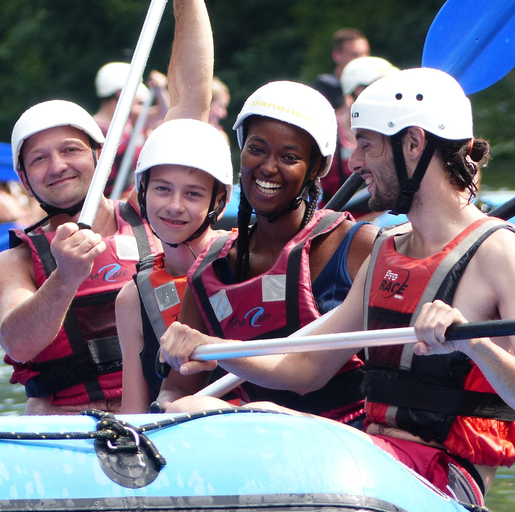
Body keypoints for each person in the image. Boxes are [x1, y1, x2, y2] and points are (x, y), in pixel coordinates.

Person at [158, 68, 515, 506]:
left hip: (442, 481)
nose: (354, 163)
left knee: (269, 420)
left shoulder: (502, 252)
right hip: (373, 461)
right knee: (196, 410)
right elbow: (301, 369)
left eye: (368, 145)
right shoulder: (386, 252)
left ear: (413, 144)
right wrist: (208, 346)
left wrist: (476, 345)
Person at [0, 0, 211, 416]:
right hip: (70, 421)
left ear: (98, 155)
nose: (57, 167)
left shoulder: (152, 215)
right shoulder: (13, 263)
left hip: (164, 411)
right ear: (23, 179)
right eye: (39, 159)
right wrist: (65, 278)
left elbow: (190, 103)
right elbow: (18, 343)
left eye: (70, 150)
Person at [156, 80, 379, 425]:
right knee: (188, 407)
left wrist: (213, 348)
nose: (268, 167)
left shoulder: (357, 245)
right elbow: (177, 389)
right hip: (257, 439)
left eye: (289, 157)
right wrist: (167, 404)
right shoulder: (211, 268)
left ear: (316, 169)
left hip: (347, 439)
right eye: (257, 149)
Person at [115, 0, 233, 414]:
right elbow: (133, 409)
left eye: (194, 194)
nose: (175, 207)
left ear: (219, 199)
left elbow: (192, 95)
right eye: (162, 190)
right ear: (142, 192)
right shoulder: (132, 298)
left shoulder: (245, 260)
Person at [318, 56, 399, 213]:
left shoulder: (395, 130)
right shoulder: (330, 132)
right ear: (358, 91)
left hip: (385, 215)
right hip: (344, 221)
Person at [312, 29, 371, 208]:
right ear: (337, 56)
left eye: (366, 54)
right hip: (335, 179)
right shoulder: (326, 86)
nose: (363, 60)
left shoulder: (373, 86)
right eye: (355, 55)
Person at [93, 61, 152, 197]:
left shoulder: (133, 125)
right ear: (119, 95)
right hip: (106, 202)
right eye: (137, 100)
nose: (140, 105)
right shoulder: (93, 130)